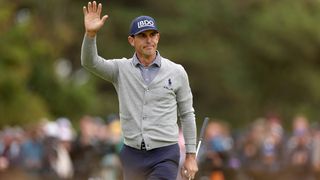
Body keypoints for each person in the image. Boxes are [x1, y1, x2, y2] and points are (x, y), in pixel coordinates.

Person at [81, 1, 198, 179]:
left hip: (165, 153)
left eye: (152, 35)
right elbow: (90, 62)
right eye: (142, 35)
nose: (149, 40)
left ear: (158, 37)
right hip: (132, 154)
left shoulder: (177, 71)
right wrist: (90, 35)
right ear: (131, 40)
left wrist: (190, 156)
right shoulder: (120, 69)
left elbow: (187, 114)